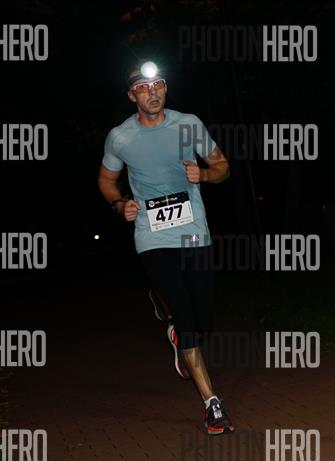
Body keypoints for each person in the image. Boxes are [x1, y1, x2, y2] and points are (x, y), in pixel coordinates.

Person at [97, 62, 235, 435]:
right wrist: (119, 204)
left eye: (158, 83)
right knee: (188, 317)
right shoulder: (120, 137)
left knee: (203, 318)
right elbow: (106, 180)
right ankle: (211, 403)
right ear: (132, 95)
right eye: (143, 87)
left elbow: (223, 166)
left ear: (166, 89)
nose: (153, 91)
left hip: (193, 232)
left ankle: (174, 324)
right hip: (152, 235)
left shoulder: (188, 124)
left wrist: (204, 174)